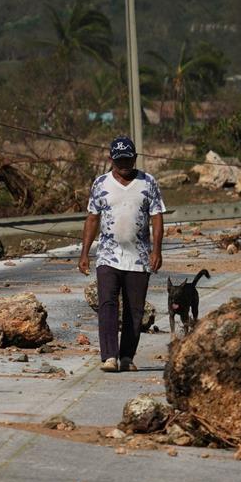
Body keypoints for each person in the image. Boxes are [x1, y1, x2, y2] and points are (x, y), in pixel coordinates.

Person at [78, 136, 165, 372]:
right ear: (111, 160)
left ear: (135, 158)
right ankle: (109, 356)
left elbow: (157, 217)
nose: (124, 165)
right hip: (108, 254)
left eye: (128, 159)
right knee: (107, 303)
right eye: (119, 161)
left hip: (139, 255)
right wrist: (84, 252)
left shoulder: (148, 183)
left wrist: (157, 250)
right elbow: (92, 218)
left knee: (134, 308)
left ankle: (126, 356)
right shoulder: (101, 184)